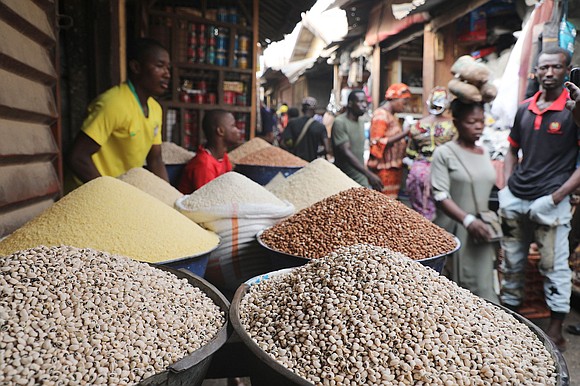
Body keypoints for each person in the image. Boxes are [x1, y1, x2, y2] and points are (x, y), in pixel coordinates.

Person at [499, 47, 580, 351]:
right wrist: (506, 186)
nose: (548, 73)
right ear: (536, 70)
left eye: (556, 68)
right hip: (517, 197)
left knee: (554, 266)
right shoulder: (524, 108)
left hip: (551, 200)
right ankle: (511, 322)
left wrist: (558, 196)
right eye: (543, 68)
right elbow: (511, 148)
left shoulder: (572, 110)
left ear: (566, 70)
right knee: (512, 262)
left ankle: (555, 331)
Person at [68, 38, 170, 184]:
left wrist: (170, 197)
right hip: (93, 195)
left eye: (168, 68)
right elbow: (77, 157)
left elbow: (155, 159)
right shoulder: (113, 103)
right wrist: (109, 193)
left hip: (121, 193)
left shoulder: (155, 109)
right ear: (136, 67)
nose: (167, 74)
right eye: (160, 66)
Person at [431, 99, 499, 303]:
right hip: (455, 231)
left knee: (484, 289)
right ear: (457, 122)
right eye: (471, 121)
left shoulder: (485, 152)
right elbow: (440, 195)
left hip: (482, 232)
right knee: (457, 296)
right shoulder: (444, 153)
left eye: (481, 120)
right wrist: (468, 221)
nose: (478, 126)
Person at [406, 87, 456, 220]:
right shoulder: (453, 126)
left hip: (419, 171)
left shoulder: (417, 125)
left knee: (420, 212)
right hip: (443, 171)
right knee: (444, 213)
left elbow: (410, 153)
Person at [178, 109, 240, 194]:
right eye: (233, 126)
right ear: (220, 131)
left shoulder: (222, 157)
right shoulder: (204, 164)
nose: (238, 130)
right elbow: (208, 200)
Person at [367, 83, 412, 198]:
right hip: (384, 170)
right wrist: (405, 133)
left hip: (393, 170)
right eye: (403, 103)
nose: (404, 107)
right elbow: (377, 143)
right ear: (394, 99)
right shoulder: (381, 115)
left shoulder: (392, 116)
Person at [331, 89, 382, 190]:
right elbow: (346, 152)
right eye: (360, 102)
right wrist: (368, 174)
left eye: (366, 102)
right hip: (344, 177)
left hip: (360, 177)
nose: (364, 105)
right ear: (350, 104)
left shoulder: (362, 122)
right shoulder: (340, 122)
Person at [281, 97, 330, 162]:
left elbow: (285, 143)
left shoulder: (292, 123)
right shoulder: (320, 127)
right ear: (314, 110)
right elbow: (327, 149)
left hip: (295, 162)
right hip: (312, 164)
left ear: (302, 109)